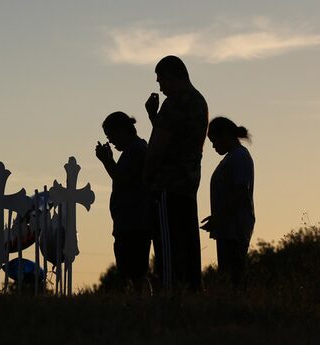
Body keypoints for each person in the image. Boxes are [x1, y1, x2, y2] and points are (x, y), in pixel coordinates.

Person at [143, 56, 209, 291]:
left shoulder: (173, 104)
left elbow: (159, 147)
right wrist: (154, 117)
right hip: (188, 186)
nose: (159, 86)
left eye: (161, 79)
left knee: (167, 247)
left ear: (172, 76)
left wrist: (146, 178)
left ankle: (169, 295)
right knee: (188, 245)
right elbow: (178, 138)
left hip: (166, 187)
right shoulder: (199, 102)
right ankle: (192, 292)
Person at [95, 112, 151, 292]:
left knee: (134, 272)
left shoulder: (135, 151)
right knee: (134, 271)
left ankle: (138, 302)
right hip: (130, 221)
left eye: (111, 136)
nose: (111, 141)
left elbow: (122, 179)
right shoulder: (134, 150)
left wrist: (107, 161)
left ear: (122, 131)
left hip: (133, 222)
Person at [201, 117, 255, 286]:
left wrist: (219, 217)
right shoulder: (232, 158)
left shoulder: (239, 157)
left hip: (235, 228)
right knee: (228, 275)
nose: (213, 146)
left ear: (225, 135)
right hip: (227, 227)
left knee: (233, 276)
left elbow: (241, 194)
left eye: (214, 140)